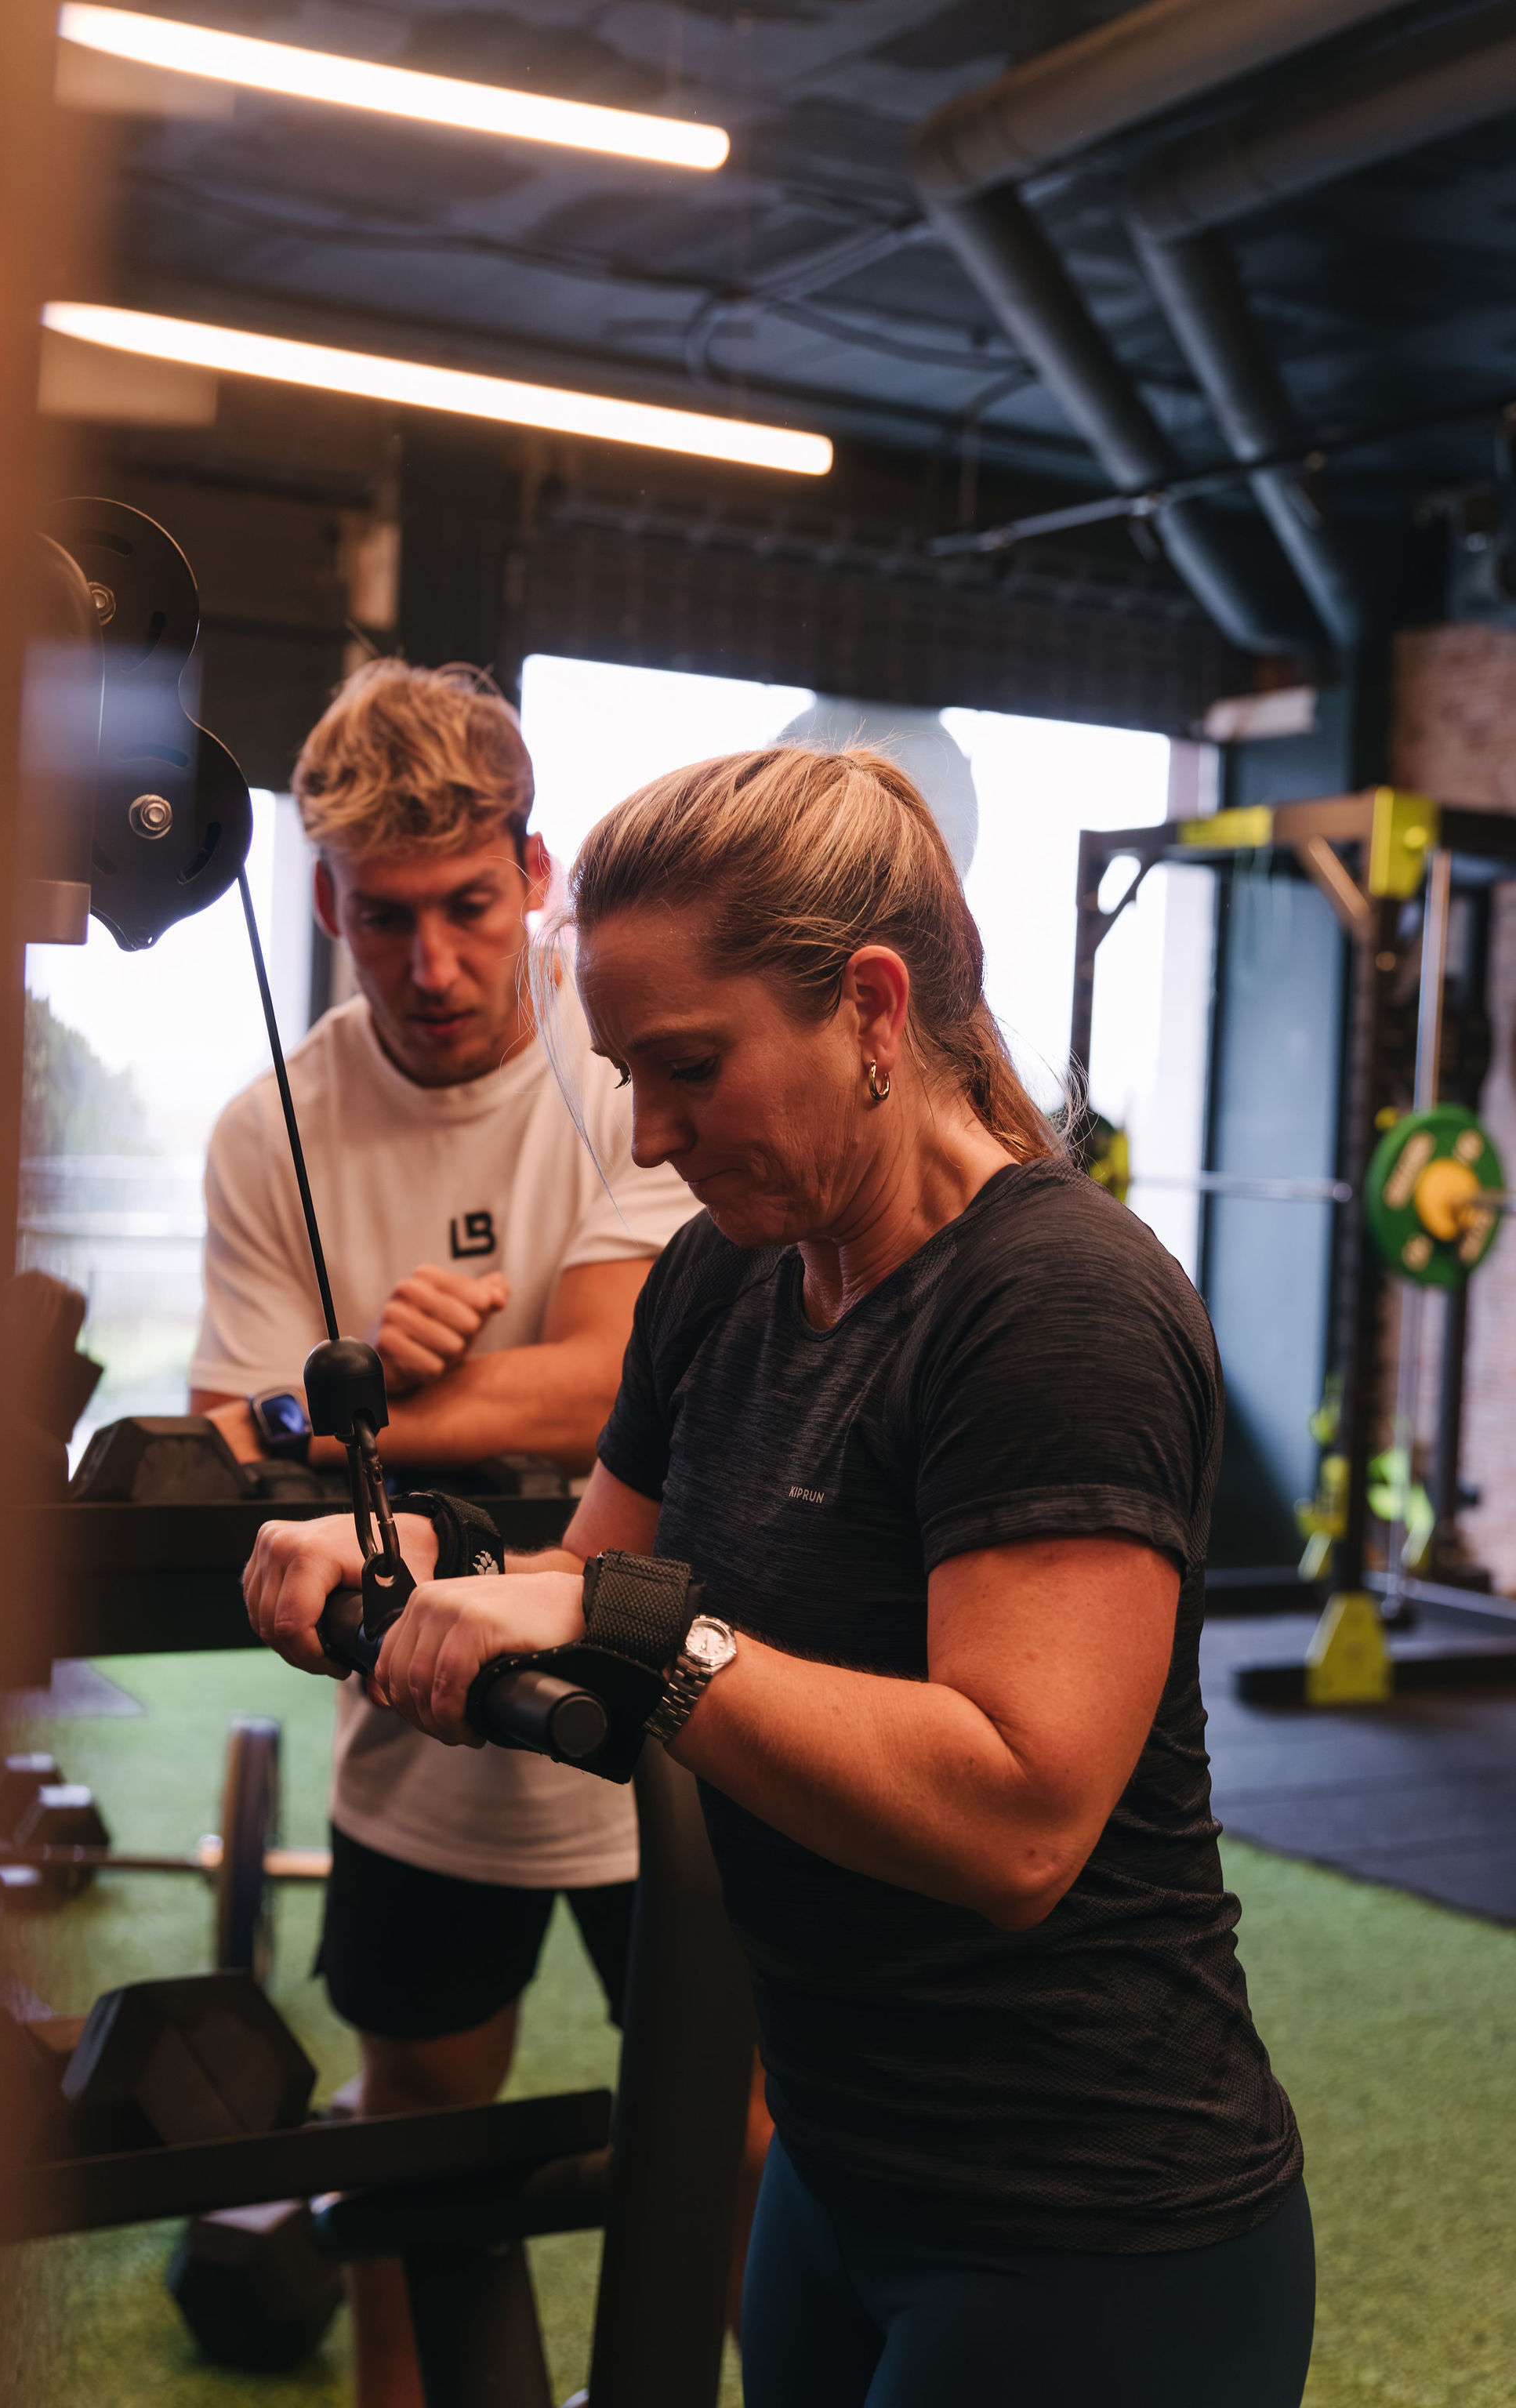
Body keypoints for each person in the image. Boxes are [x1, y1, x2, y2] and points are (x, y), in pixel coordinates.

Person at [244, 743, 1316, 2408]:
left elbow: (1016, 1821)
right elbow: (592, 1590)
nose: (654, 1135)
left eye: (689, 1070)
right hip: (830, 2170)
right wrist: (412, 1565)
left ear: (873, 1010)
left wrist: (633, 1626)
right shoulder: (722, 1280)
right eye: (630, 1079)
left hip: (1091, 2224)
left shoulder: (1051, 1309)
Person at [189, 659, 702, 2408]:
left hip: (664, 1703)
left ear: (535, 873)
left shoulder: (629, 1050)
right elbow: (232, 1426)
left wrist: (363, 1417)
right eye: (386, 918)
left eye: (470, 907)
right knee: (413, 2146)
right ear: (326, 900)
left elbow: (609, 1379)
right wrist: (309, 1410)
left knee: (749, 2131)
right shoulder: (274, 1127)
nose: (432, 964)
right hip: (410, 1717)